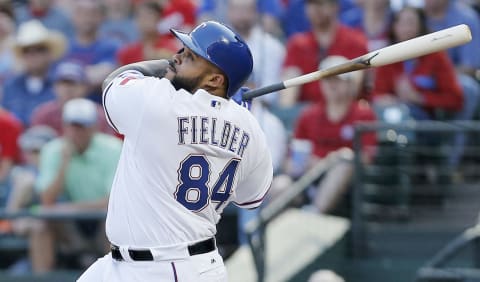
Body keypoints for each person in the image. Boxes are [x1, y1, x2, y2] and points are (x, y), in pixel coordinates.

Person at [78, 20, 273, 281]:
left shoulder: (155, 100)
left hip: (173, 268)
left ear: (215, 79)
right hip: (129, 266)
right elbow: (251, 197)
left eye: (190, 56)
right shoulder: (251, 128)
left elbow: (114, 81)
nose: (176, 56)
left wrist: (162, 66)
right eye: (182, 50)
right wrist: (230, 114)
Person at [28, 98, 122, 273]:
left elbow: (113, 202)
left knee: (116, 220)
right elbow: (46, 199)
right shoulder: (53, 150)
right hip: (69, 224)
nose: (76, 131)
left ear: (94, 127)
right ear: (64, 126)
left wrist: (67, 208)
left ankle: (116, 275)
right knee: (40, 226)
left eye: (82, 126)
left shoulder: (113, 149)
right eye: (72, 125)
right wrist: (64, 164)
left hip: (103, 220)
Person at [272, 56, 376, 214]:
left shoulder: (363, 114)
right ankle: (270, 233)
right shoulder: (308, 115)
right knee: (280, 185)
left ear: (350, 83)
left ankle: (313, 216)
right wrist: (299, 164)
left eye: (338, 80)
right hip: (308, 178)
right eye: (328, 80)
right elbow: (291, 161)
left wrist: (332, 160)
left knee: (344, 161)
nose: (332, 85)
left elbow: (367, 157)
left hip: (347, 185)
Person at [280, 0, 368, 108]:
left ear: (334, 6)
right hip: (307, 114)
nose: (315, 9)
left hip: (346, 113)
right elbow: (287, 96)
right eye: (310, 4)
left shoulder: (355, 41)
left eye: (320, 3)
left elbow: (353, 89)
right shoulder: (297, 45)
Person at [1, 19, 66, 126]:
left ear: (49, 53)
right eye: (27, 50)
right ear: (22, 55)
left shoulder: (61, 83)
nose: (33, 55)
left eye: (39, 49)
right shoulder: (10, 86)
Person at [31, 60, 114, 136]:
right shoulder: (44, 114)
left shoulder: (98, 114)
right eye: (63, 83)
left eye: (73, 83)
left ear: (85, 87)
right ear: (54, 87)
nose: (68, 89)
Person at [116, 1, 179, 66]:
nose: (144, 20)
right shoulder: (127, 52)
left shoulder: (169, 47)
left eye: (149, 16)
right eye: (140, 16)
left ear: (159, 19)